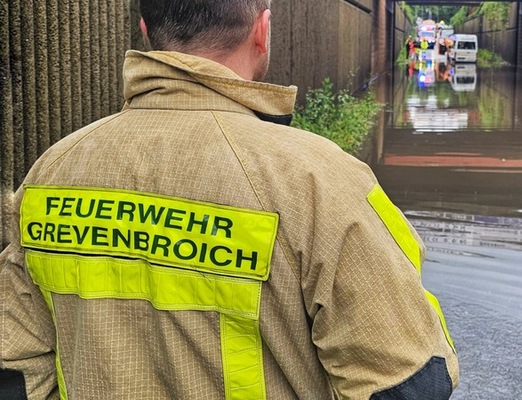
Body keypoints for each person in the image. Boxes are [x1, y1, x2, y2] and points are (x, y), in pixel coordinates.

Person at [0, 1, 459, 399]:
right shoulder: (321, 181)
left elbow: (15, 368)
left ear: (144, 31)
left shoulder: (53, 170)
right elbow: (407, 382)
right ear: (262, 30)